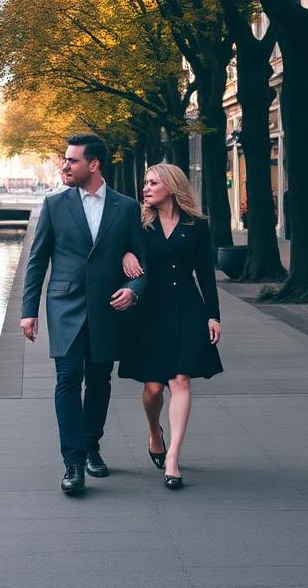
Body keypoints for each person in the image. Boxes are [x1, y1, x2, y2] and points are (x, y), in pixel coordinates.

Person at [21, 133, 148, 495]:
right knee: (67, 378)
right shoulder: (54, 205)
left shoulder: (125, 208)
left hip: (107, 308)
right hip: (65, 307)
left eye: (72, 160)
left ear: (94, 164)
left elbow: (142, 261)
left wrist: (133, 289)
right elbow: (37, 261)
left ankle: (92, 447)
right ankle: (73, 462)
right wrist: (28, 311)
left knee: (100, 382)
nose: (65, 165)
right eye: (64, 160)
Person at [119, 162, 222, 490]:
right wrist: (125, 256)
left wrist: (213, 315)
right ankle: (155, 432)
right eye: (145, 183)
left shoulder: (197, 225)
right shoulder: (137, 222)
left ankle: (173, 457)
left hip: (187, 308)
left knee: (180, 379)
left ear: (171, 186)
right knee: (152, 389)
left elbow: (206, 273)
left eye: (152, 183)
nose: (145, 188)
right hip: (149, 310)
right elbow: (116, 250)